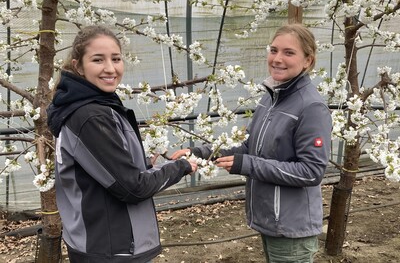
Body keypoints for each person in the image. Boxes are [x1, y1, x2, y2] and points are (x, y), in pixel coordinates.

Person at [171, 23, 332, 263]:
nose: (277, 58)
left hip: (291, 225)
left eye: (289, 53)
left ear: (308, 60)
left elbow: (311, 172)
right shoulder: (270, 98)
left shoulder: (311, 107)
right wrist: (200, 153)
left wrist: (247, 165)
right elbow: (248, 146)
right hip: (270, 219)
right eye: (274, 50)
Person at [47, 25, 197, 263]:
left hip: (104, 244)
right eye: (98, 60)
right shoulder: (90, 117)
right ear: (78, 66)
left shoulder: (100, 105)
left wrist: (145, 164)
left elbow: (108, 172)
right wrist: (180, 167)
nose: (110, 68)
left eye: (116, 59)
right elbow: (132, 188)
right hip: (110, 249)